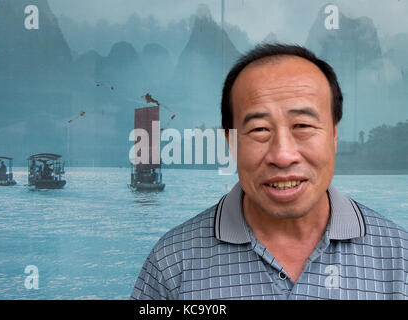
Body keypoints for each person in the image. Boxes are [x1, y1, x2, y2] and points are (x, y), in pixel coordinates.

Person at [131, 44, 407, 300]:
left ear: (334, 135)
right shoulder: (172, 263)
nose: (283, 155)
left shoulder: (399, 259)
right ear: (231, 141)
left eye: (303, 126)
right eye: (259, 130)